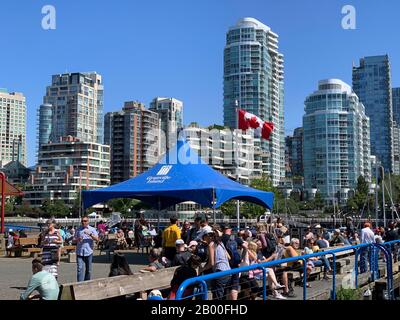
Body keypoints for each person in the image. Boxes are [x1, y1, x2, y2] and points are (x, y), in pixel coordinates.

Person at [73, 216, 99, 282]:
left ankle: (86, 283)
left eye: (85, 221)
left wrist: (90, 234)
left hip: (89, 251)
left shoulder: (92, 229)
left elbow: (97, 239)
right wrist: (78, 239)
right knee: (79, 269)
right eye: (82, 221)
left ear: (88, 221)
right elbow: (73, 240)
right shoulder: (78, 229)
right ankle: (79, 284)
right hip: (80, 252)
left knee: (88, 270)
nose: (83, 222)